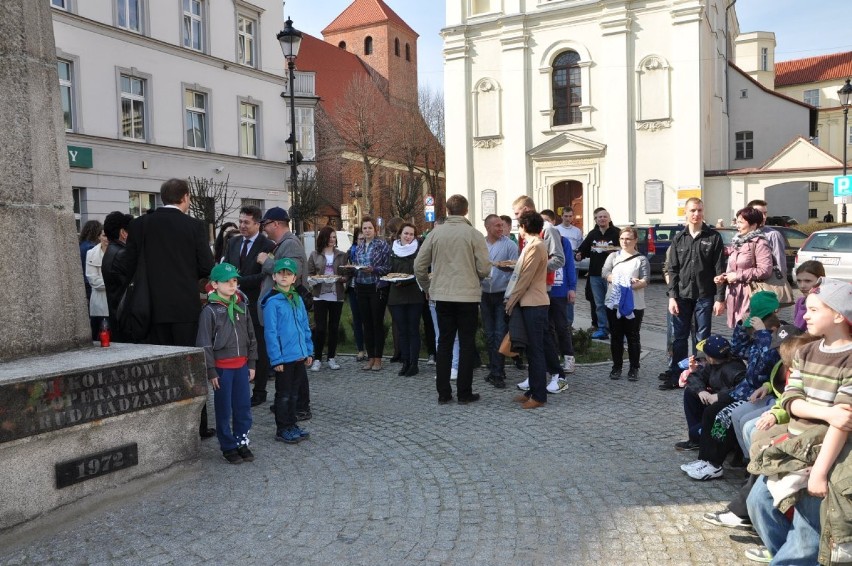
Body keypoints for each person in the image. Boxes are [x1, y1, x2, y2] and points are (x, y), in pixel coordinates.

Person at [746, 277, 852, 565]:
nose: (804, 315)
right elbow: (791, 399)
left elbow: (842, 424)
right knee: (758, 503)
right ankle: (789, 555)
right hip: (794, 447)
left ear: (839, 315)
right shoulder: (806, 351)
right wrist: (825, 411)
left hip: (827, 455)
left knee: (806, 531)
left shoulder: (850, 360)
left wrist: (819, 471)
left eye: (814, 310)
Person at [117, 178, 216, 437]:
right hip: (185, 309)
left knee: (158, 370)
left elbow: (125, 265)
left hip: (150, 308)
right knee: (190, 368)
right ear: (184, 197)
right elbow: (207, 266)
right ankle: (197, 426)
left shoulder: (140, 225)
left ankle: (163, 426)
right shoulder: (194, 226)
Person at [415, 194, 490, 405]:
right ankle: (464, 393)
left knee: (444, 343)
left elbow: (419, 266)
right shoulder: (474, 234)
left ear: (447, 210)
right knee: (466, 344)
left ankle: (443, 393)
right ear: (466, 211)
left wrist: (429, 287)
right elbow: (484, 268)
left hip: (443, 296)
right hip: (467, 296)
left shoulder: (435, 234)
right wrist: (476, 277)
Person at [196, 263, 257, 464]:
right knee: (224, 409)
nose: (232, 285)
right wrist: (211, 370)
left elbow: (251, 337)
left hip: (241, 366)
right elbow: (204, 343)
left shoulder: (242, 306)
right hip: (222, 369)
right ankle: (228, 446)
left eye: (234, 281)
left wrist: (252, 363)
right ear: (214, 284)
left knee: (243, 407)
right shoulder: (210, 311)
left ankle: (241, 441)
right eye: (226, 281)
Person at [662, 197, 726, 390]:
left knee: (701, 338)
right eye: (692, 210)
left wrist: (720, 299)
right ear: (686, 213)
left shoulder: (713, 237)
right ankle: (678, 374)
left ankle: (701, 375)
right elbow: (672, 270)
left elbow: (719, 270)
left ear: (703, 212)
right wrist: (672, 297)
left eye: (699, 210)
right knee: (679, 337)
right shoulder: (679, 238)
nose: (696, 214)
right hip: (681, 296)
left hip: (704, 296)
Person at [256, 206, 311, 420]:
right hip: (281, 308)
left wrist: (266, 262)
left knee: (296, 361)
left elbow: (291, 273)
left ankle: (300, 406)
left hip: (289, 310)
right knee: (288, 363)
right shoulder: (282, 244)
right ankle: (287, 401)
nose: (264, 229)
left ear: (276, 224)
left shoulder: (291, 244)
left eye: (266, 224)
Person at [223, 205, 275, 407]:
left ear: (257, 224)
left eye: (246, 222)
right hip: (234, 303)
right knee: (239, 346)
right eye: (240, 221)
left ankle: (260, 390)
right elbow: (227, 266)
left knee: (258, 347)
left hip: (256, 303)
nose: (242, 225)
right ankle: (240, 386)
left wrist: (238, 282)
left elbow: (265, 275)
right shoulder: (234, 242)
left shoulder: (267, 245)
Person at [261, 258, 313, 445]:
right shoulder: (272, 302)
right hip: (284, 358)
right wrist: (276, 359)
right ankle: (283, 428)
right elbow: (271, 333)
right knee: (283, 394)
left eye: (288, 273)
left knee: (294, 393)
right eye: (281, 273)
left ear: (294, 278)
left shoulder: (297, 298)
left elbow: (304, 326)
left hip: (299, 355)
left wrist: (309, 351)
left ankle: (292, 424)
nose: (284, 276)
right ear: (274, 276)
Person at [506, 211, 550, 409]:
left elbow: (526, 278)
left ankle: (539, 395)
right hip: (529, 302)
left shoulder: (536, 246)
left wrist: (511, 300)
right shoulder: (531, 245)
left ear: (524, 226)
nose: (518, 229)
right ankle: (532, 390)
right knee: (532, 350)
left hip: (534, 303)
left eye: (519, 225)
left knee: (535, 350)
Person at [675, 335, 746, 453]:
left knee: (695, 433)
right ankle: (696, 439)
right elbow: (696, 377)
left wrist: (718, 396)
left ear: (711, 358)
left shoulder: (734, 370)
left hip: (725, 408)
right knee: (690, 392)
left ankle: (701, 438)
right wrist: (701, 390)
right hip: (714, 403)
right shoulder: (714, 365)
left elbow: (742, 391)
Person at [601, 226, 650, 381]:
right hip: (613, 303)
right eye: (622, 238)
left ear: (635, 240)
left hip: (634, 304)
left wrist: (628, 287)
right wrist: (618, 281)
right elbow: (605, 273)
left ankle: (634, 368)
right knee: (616, 336)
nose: (625, 241)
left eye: (628, 238)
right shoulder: (613, 256)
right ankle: (616, 367)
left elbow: (645, 280)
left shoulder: (640, 259)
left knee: (633, 336)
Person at [714, 206, 773, 329]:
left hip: (751, 294)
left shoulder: (760, 243)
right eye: (737, 221)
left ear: (753, 225)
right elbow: (734, 267)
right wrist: (724, 277)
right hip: (735, 294)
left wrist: (737, 276)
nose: (737, 225)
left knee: (749, 330)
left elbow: (765, 270)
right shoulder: (739, 242)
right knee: (738, 331)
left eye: (741, 222)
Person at [480, 214, 518, 389]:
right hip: (484, 294)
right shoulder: (480, 244)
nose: (500, 228)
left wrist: (506, 268)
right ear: (487, 227)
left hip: (501, 294)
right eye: (496, 226)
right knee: (489, 334)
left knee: (499, 333)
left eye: (501, 225)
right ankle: (495, 369)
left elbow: (515, 269)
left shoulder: (510, 245)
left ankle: (498, 373)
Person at [541, 209, 576, 389]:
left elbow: (569, 264)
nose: (545, 225)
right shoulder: (538, 241)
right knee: (548, 328)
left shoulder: (563, 241)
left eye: (547, 221)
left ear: (553, 222)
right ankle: (552, 359)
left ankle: (569, 357)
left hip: (559, 290)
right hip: (543, 291)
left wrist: (572, 288)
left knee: (562, 326)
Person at [350, 216, 391, 371]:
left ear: (375, 229)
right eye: (365, 228)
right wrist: (353, 269)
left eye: (370, 228)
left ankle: (378, 358)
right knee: (366, 324)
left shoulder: (382, 245)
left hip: (376, 287)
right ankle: (371, 357)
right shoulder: (359, 246)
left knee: (376, 323)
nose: (367, 231)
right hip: (361, 286)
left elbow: (387, 267)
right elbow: (356, 265)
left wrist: (373, 269)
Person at [307, 226, 347, 372]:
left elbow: (346, 272)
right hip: (320, 295)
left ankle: (331, 357)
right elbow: (310, 273)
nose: (332, 240)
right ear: (323, 238)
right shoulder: (314, 255)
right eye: (330, 237)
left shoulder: (341, 255)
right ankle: (317, 358)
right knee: (320, 328)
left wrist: (343, 278)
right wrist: (314, 280)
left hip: (336, 295)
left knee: (334, 327)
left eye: (334, 237)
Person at [575, 207, 619, 340]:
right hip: (595, 274)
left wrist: (610, 250)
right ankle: (602, 329)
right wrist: (579, 255)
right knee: (599, 304)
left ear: (609, 218)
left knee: (613, 302)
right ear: (596, 219)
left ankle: (616, 329)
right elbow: (583, 249)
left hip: (612, 274)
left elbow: (623, 249)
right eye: (599, 217)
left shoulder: (616, 232)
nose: (602, 219)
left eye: (605, 216)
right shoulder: (593, 234)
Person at [387, 222, 425, 377]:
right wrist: (393, 278)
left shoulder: (418, 250)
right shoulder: (392, 250)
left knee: (413, 330)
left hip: (414, 294)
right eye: (406, 233)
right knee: (402, 331)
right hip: (396, 295)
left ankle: (414, 363)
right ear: (400, 234)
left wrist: (406, 280)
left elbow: (421, 270)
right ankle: (405, 362)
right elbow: (389, 269)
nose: (408, 236)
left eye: (411, 234)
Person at [101, 211, 133, 342]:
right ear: (123, 232)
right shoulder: (123, 254)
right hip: (125, 319)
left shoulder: (111, 251)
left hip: (116, 316)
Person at [556, 206, 583, 329]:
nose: (568, 218)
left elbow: (580, 247)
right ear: (561, 216)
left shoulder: (577, 231)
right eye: (565, 216)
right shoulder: (556, 229)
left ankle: (569, 322)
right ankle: (559, 321)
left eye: (570, 216)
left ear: (573, 216)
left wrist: (578, 255)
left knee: (571, 293)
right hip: (560, 265)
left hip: (573, 264)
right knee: (560, 293)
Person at [746, 199, 787, 279]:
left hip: (767, 284)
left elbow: (780, 263)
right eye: (760, 213)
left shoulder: (773, 235)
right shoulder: (741, 236)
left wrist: (781, 282)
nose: (764, 217)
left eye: (765, 213)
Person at [79, 219, 103, 338]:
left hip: (83, 282)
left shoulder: (81, 245)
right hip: (90, 283)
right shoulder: (91, 248)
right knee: (96, 314)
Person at [347, 228, 368, 362]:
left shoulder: (369, 252)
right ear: (356, 240)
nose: (362, 242)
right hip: (354, 288)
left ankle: (370, 349)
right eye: (360, 239)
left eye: (364, 239)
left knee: (368, 319)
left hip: (367, 287)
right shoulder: (350, 253)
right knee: (357, 319)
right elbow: (345, 270)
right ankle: (360, 349)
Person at [84, 228, 109, 341]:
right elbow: (93, 281)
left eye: (109, 235)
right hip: (99, 303)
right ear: (99, 237)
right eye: (104, 235)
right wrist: (113, 283)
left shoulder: (119, 251)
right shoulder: (92, 253)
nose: (106, 238)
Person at [792, 260, 825, 332]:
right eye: (799, 281)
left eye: (808, 281)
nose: (802, 286)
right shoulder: (800, 302)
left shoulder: (825, 303)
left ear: (820, 280)